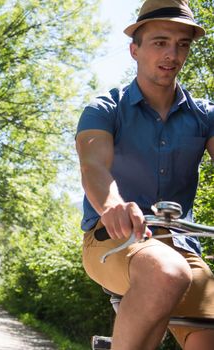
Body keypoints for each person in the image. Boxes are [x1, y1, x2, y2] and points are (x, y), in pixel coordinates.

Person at [75, 0, 214, 349]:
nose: (172, 54)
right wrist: (114, 205)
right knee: (167, 272)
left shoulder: (204, 115)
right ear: (134, 49)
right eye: (160, 42)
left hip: (183, 247)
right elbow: (94, 166)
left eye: (182, 44)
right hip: (114, 240)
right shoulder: (105, 108)